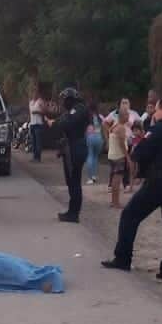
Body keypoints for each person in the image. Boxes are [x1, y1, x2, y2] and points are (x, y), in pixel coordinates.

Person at [102, 96, 162, 280]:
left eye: (157, 109)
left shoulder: (161, 128)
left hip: (159, 182)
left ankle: (123, 258)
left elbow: (139, 153)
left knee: (130, 215)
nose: (154, 113)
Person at [49, 87, 91, 223]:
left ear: (70, 99)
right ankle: (72, 211)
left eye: (64, 100)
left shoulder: (79, 109)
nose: (63, 103)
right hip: (72, 147)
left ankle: (74, 213)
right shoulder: (74, 110)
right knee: (72, 181)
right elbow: (62, 122)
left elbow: (66, 123)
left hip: (76, 148)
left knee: (74, 182)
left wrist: (58, 122)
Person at [106, 110, 130, 210]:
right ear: (122, 116)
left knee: (115, 179)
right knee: (117, 179)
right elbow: (121, 144)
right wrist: (127, 157)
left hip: (112, 155)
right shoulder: (121, 128)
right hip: (118, 156)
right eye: (127, 114)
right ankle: (116, 202)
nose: (128, 116)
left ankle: (113, 201)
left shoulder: (114, 126)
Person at [84, 97, 104, 186]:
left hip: (90, 137)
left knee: (90, 156)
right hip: (99, 137)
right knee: (95, 157)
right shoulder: (99, 116)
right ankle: (94, 175)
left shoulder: (87, 117)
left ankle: (90, 177)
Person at [28, 88, 48, 163]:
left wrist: (37, 112)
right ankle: (34, 157)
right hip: (32, 124)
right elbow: (30, 113)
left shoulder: (40, 101)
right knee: (33, 142)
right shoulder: (31, 102)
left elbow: (45, 111)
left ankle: (38, 157)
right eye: (33, 93)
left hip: (38, 124)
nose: (34, 95)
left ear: (38, 94)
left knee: (38, 142)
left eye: (36, 93)